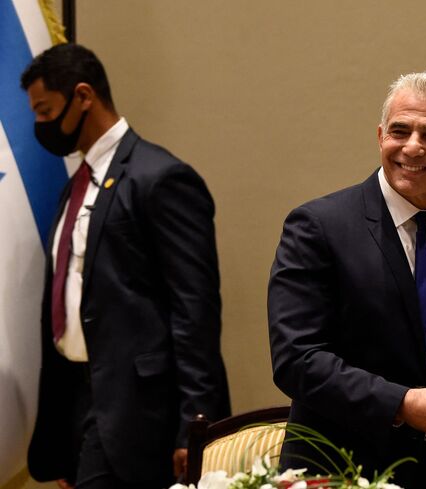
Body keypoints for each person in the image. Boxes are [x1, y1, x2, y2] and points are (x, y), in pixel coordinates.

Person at [267, 70, 426, 488]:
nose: (412, 147)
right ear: (381, 136)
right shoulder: (318, 227)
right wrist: (400, 403)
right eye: (400, 131)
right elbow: (297, 359)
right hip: (341, 470)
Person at [21, 44, 231, 488]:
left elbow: (194, 310)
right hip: (80, 402)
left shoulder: (161, 177)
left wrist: (196, 424)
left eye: (45, 111)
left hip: (140, 413)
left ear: (83, 96)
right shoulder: (76, 186)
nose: (40, 126)